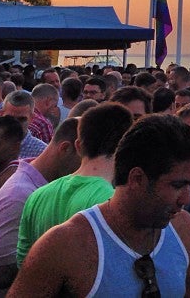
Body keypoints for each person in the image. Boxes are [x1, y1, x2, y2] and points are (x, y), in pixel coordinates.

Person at [9, 114, 190, 297]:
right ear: (137, 178)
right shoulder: (66, 245)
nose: (187, 199)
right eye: (177, 185)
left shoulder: (182, 229)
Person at [16, 102, 133, 266]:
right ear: (126, 148)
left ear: (78, 145)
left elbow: (23, 263)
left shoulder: (37, 196)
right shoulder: (112, 202)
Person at [0, 118, 80, 293]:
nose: (85, 171)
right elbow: (3, 273)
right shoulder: (19, 194)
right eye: (84, 161)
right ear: (65, 149)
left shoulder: (45, 186)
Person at [0, 91, 48, 160]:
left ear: (32, 118)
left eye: (21, 119)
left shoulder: (41, 152)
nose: (15, 124)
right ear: (1, 114)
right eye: (10, 118)